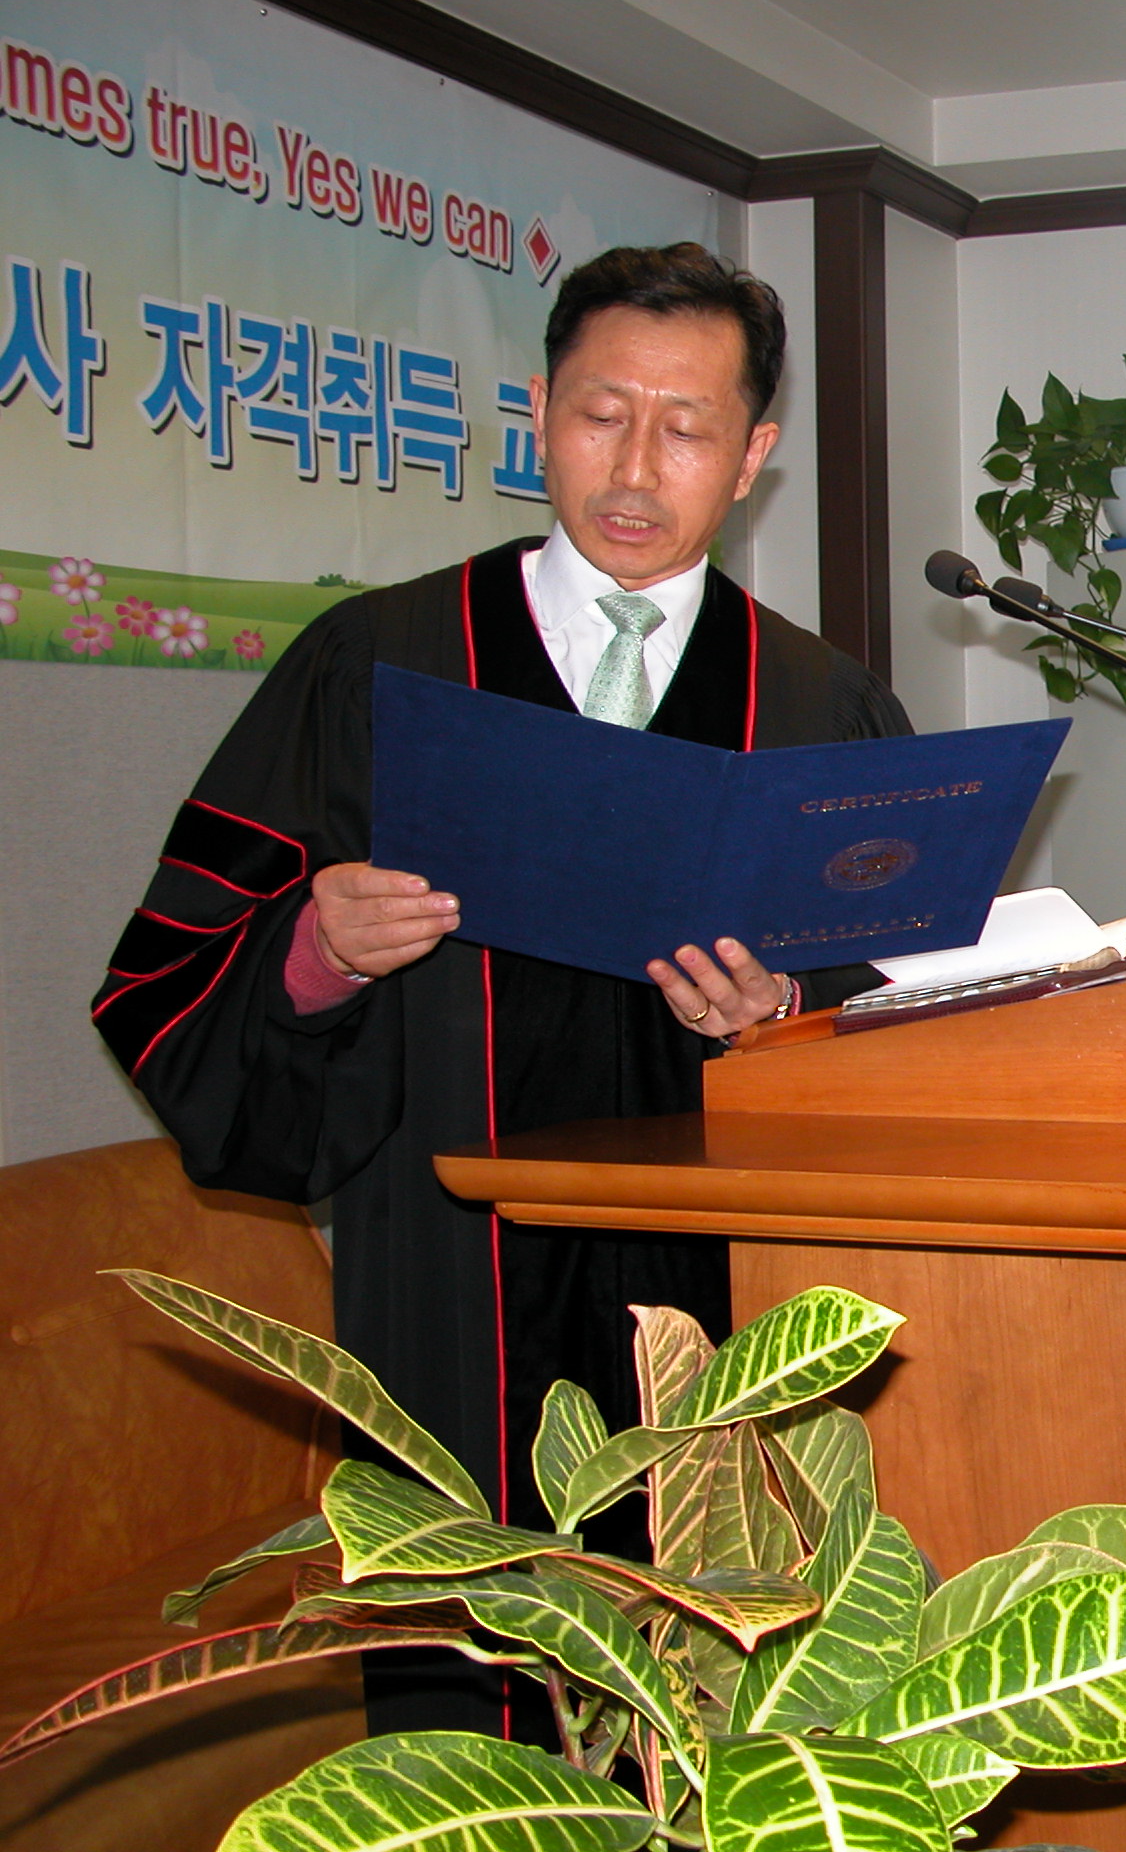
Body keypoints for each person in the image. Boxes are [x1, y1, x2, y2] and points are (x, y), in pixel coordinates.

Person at [92, 242, 910, 1733]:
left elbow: (901, 1035)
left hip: (725, 1318)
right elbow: (169, 974)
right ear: (537, 410)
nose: (636, 466)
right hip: (445, 1291)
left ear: (754, 456)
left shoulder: (821, 704)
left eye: (687, 428)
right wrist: (316, 953)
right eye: (601, 413)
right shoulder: (377, 663)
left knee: (720, 1729)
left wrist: (783, 1023)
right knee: (467, 1738)